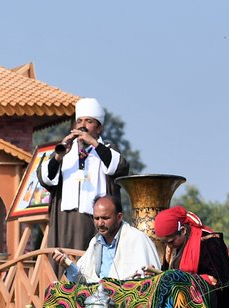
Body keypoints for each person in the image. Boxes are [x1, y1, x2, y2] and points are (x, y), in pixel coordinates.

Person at [39, 98, 131, 251]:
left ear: (99, 128)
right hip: (65, 221)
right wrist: (59, 156)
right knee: (64, 258)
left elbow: (120, 167)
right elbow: (45, 178)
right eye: (79, 121)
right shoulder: (65, 149)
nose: (83, 126)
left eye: (89, 121)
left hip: (95, 222)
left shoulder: (107, 149)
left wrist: (94, 143)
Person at [154, 206, 229, 308]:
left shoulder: (209, 242)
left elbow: (221, 281)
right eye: (166, 243)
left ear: (183, 231)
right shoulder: (171, 248)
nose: (169, 246)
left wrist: (183, 279)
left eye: (171, 242)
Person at [53, 195, 160, 283]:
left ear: (119, 217)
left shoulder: (137, 239)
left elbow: (149, 282)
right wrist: (67, 264)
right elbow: (83, 281)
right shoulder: (95, 242)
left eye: (105, 218)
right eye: (96, 218)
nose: (100, 223)